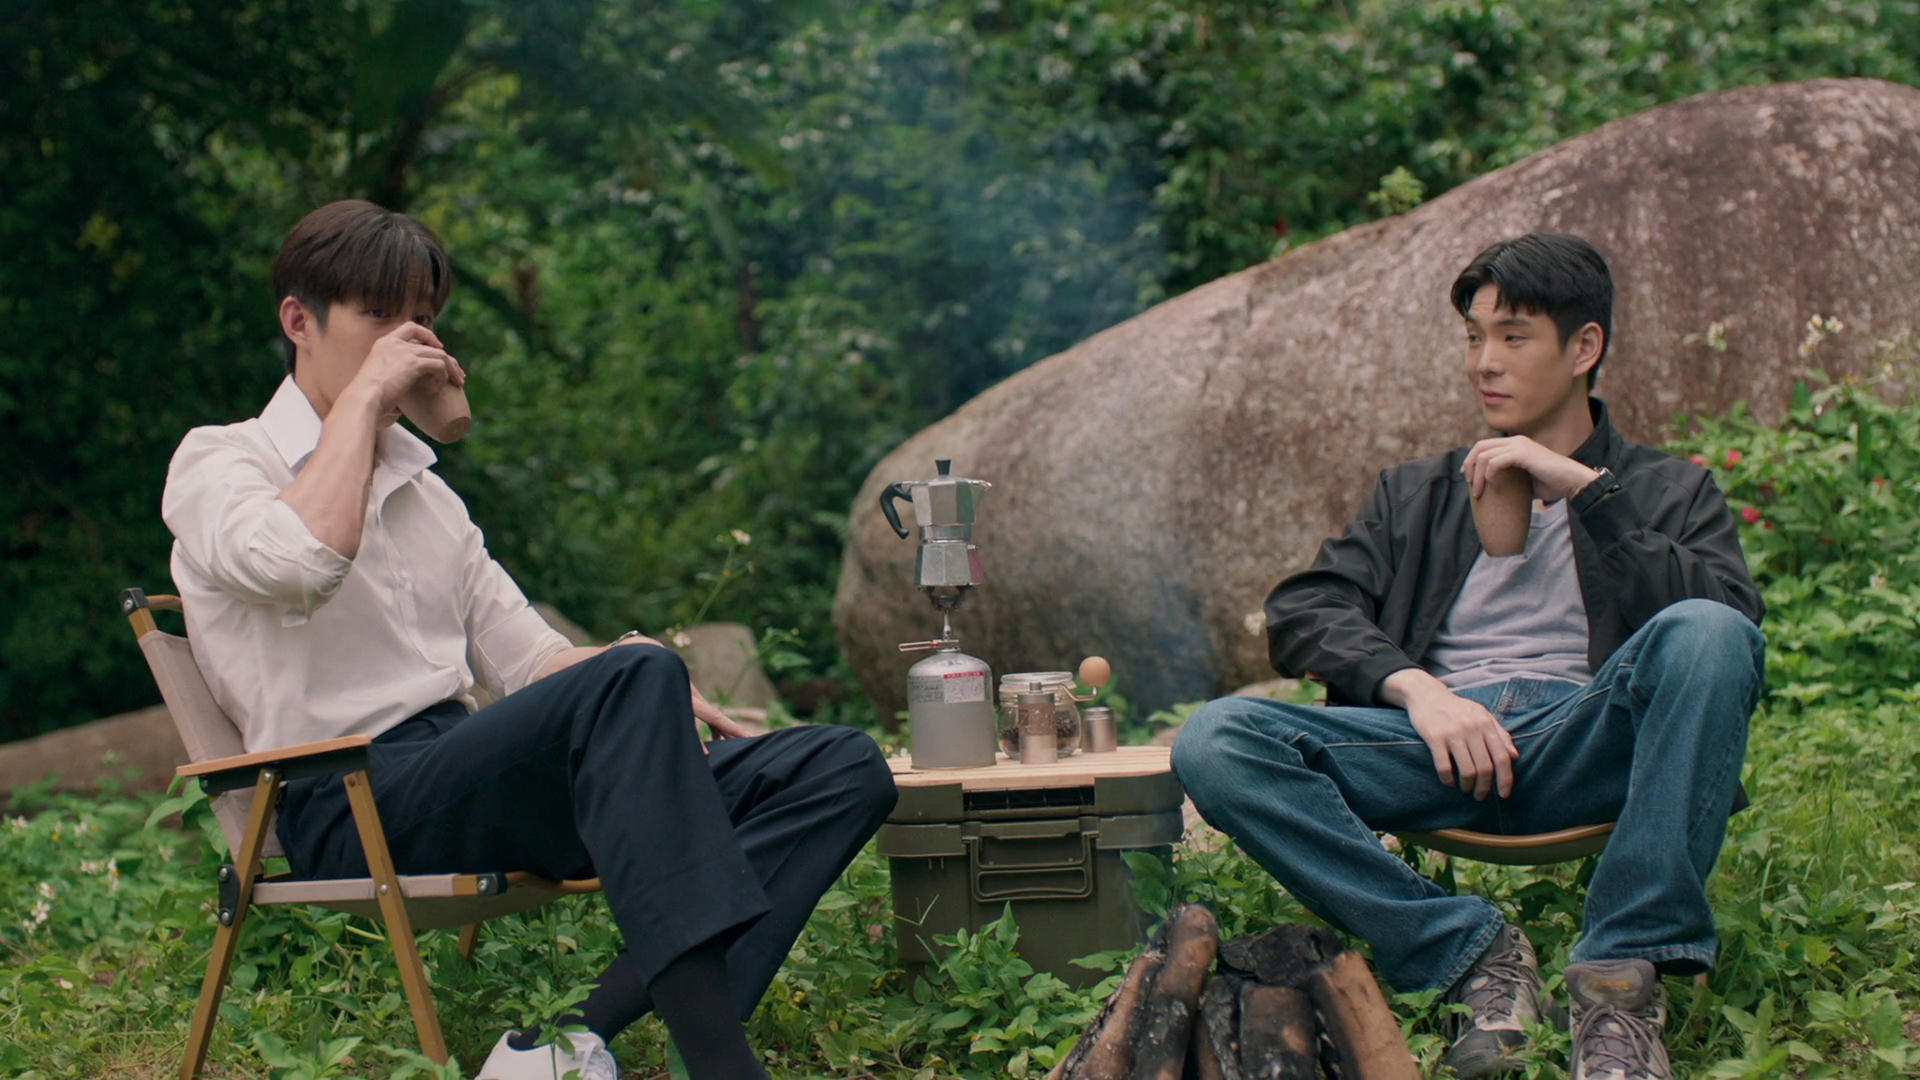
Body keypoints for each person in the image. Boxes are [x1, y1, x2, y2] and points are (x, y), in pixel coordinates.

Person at [162, 199, 898, 1080]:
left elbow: (534, 659)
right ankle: (722, 1067)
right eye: (380, 317)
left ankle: (562, 1041)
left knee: (840, 766)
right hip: (347, 800)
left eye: (422, 319)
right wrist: (362, 399)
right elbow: (303, 560)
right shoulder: (219, 463)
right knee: (634, 680)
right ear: (299, 322)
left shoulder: (430, 498)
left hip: (466, 779)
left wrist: (642, 679)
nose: (409, 343)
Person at [1171, 233, 1764, 1080]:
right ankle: (1471, 955)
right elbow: (1304, 608)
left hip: (1586, 739)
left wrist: (1588, 493)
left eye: (1513, 337)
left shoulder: (1667, 491)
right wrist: (1422, 694)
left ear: (1584, 348)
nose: (1484, 362)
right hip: (1436, 748)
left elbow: (1728, 630)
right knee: (1215, 741)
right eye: (1474, 337)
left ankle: (1619, 980)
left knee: (1709, 631)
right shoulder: (1418, 492)